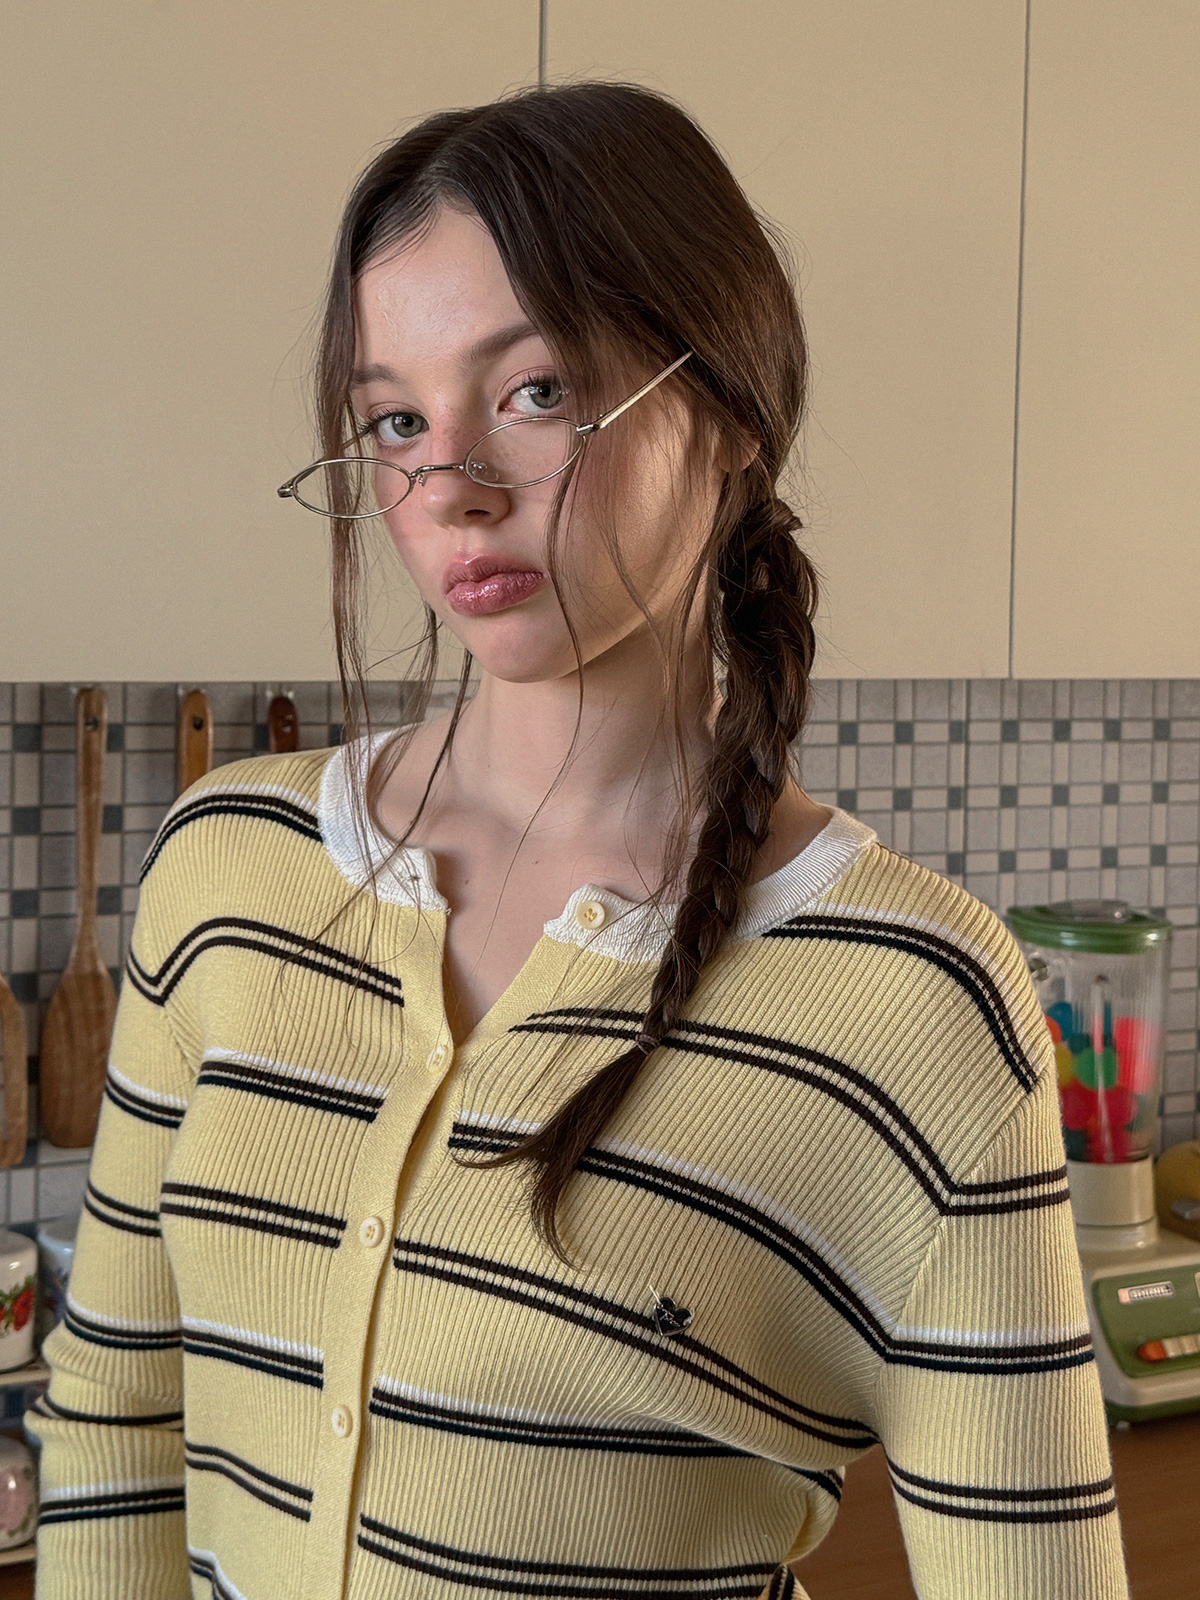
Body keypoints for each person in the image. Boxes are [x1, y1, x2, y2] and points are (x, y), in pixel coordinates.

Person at [30, 82, 1129, 1600]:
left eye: (536, 393)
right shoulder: (228, 868)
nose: (454, 493)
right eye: (398, 422)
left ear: (727, 415)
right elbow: (116, 1421)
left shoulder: (913, 1001)